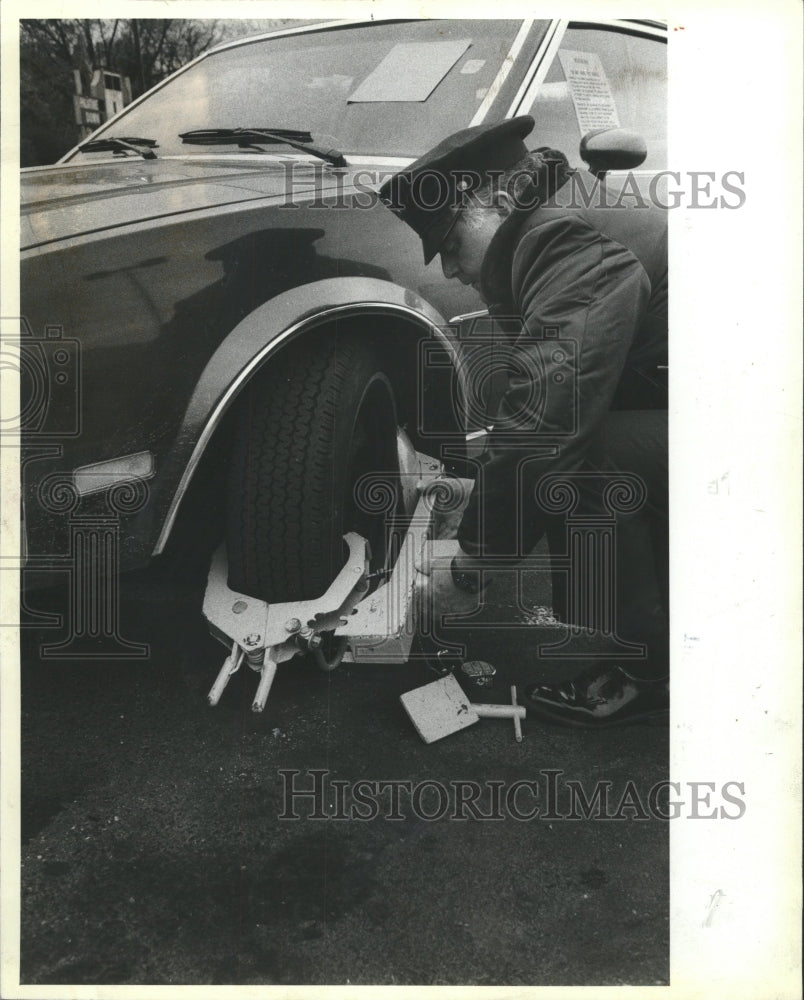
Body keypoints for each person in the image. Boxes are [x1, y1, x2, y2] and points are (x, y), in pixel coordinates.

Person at [379, 115, 668, 728]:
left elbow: (548, 421)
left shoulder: (562, 239)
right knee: (576, 451)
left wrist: (472, 566)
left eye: (451, 244)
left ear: (500, 200)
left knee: (585, 461)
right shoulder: (555, 222)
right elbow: (563, 393)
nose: (448, 270)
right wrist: (482, 495)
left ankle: (650, 672)